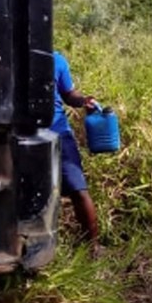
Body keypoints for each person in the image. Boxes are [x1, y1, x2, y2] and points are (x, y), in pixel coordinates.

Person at [51, 51, 100, 250]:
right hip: (18, 132)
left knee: (78, 189)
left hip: (57, 130)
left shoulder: (56, 59)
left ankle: (93, 246)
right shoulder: (4, 56)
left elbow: (68, 93)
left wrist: (83, 101)